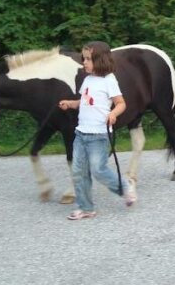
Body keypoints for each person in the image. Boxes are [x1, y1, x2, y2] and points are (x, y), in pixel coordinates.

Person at [58, 41, 137, 220]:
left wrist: (114, 114)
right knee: (79, 171)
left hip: (99, 135)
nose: (84, 62)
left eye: (88, 59)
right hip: (80, 134)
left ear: (100, 60)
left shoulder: (109, 80)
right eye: (83, 59)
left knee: (98, 170)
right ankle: (86, 208)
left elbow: (121, 103)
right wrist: (70, 104)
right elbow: (84, 102)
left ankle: (125, 187)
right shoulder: (87, 80)